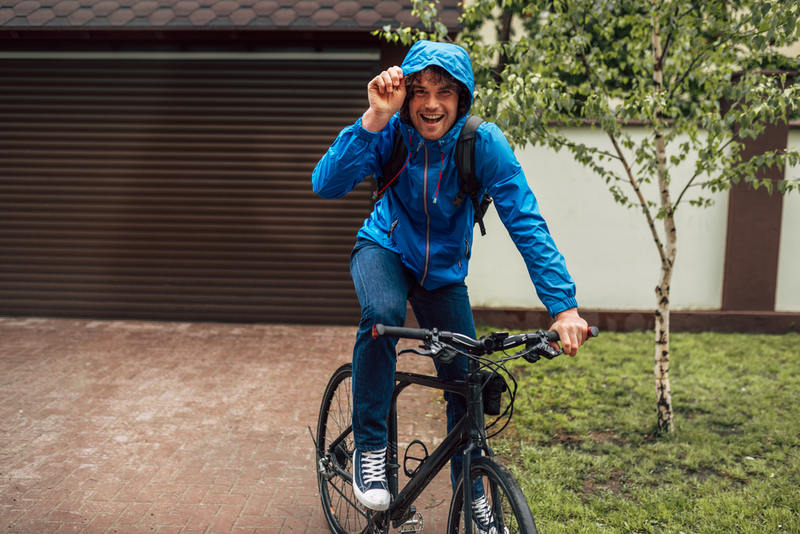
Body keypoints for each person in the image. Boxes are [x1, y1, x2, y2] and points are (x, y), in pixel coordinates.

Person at [312, 40, 589, 521]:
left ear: (463, 97)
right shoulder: (390, 132)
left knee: (467, 381)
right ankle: (371, 449)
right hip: (385, 249)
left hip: (442, 275)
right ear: (406, 96)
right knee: (383, 316)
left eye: (444, 91)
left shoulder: (483, 144)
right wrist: (375, 117)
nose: (431, 103)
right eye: (419, 91)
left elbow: (526, 223)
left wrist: (563, 307)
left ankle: (475, 494)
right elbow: (326, 183)